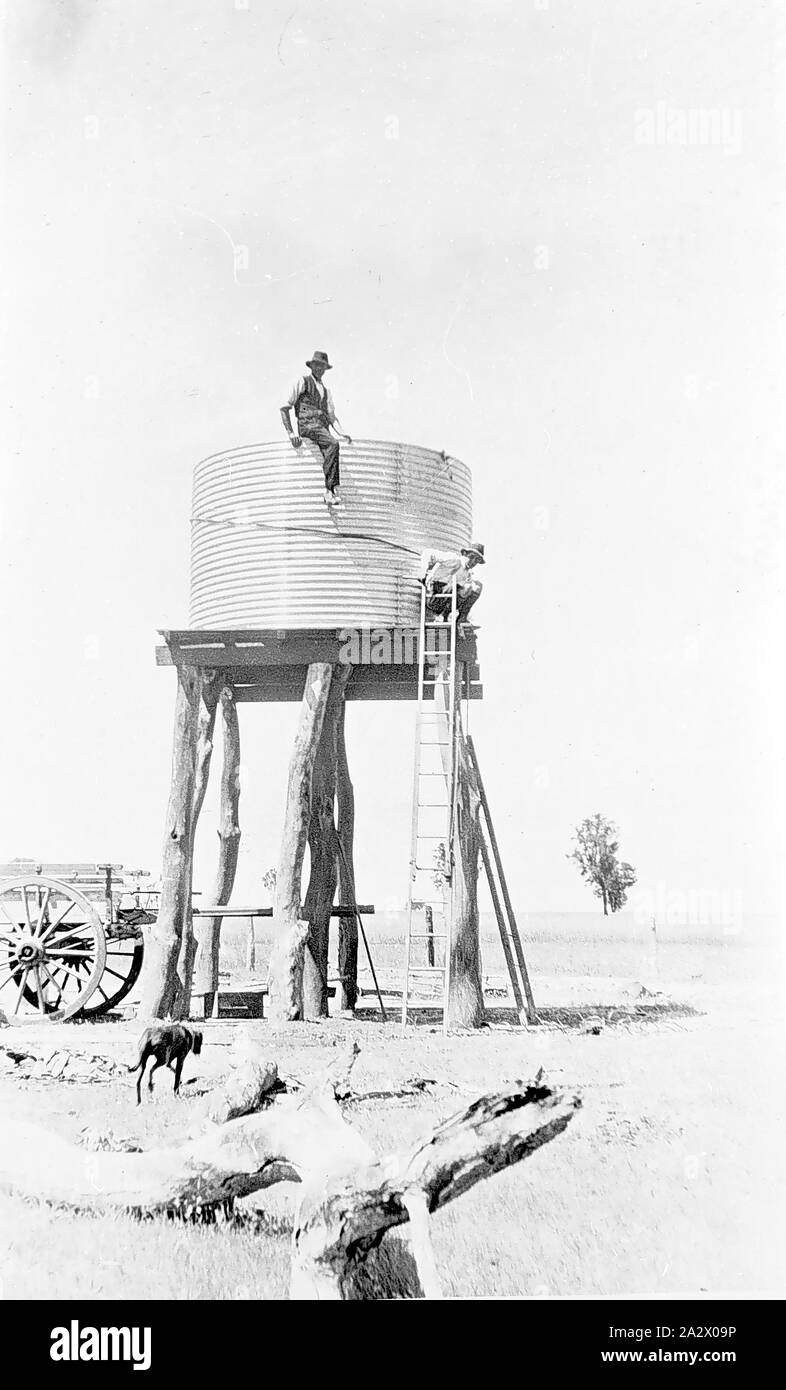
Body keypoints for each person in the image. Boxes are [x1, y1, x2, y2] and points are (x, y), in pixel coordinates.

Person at [280, 350, 352, 509]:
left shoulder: (326, 391)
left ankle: (331, 491)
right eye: (317, 365)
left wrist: (342, 432)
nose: (320, 368)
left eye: (323, 366)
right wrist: (291, 433)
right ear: (312, 366)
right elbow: (285, 407)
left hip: (321, 428)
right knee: (333, 444)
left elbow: (332, 416)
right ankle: (329, 490)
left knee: (330, 448)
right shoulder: (303, 382)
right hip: (307, 424)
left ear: (326, 369)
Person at [420, 541, 485, 628]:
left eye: (477, 560)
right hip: (434, 595)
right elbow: (427, 552)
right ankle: (441, 616)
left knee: (476, 586)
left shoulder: (468, 573)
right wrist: (422, 572)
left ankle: (460, 619)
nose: (473, 561)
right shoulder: (452, 558)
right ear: (465, 553)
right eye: (472, 557)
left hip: (447, 600)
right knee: (456, 585)